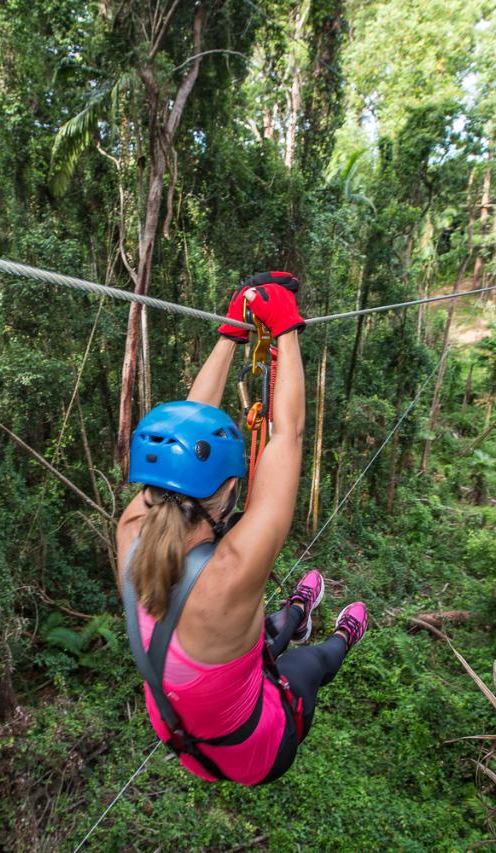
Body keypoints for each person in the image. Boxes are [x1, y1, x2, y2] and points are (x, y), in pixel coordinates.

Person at [115, 271, 369, 786]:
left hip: (178, 732)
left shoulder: (130, 528)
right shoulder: (229, 576)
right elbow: (287, 435)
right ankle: (341, 633)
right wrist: (286, 329)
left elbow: (194, 420)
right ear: (231, 490)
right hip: (254, 748)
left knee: (266, 639)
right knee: (310, 666)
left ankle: (297, 612)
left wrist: (233, 332)